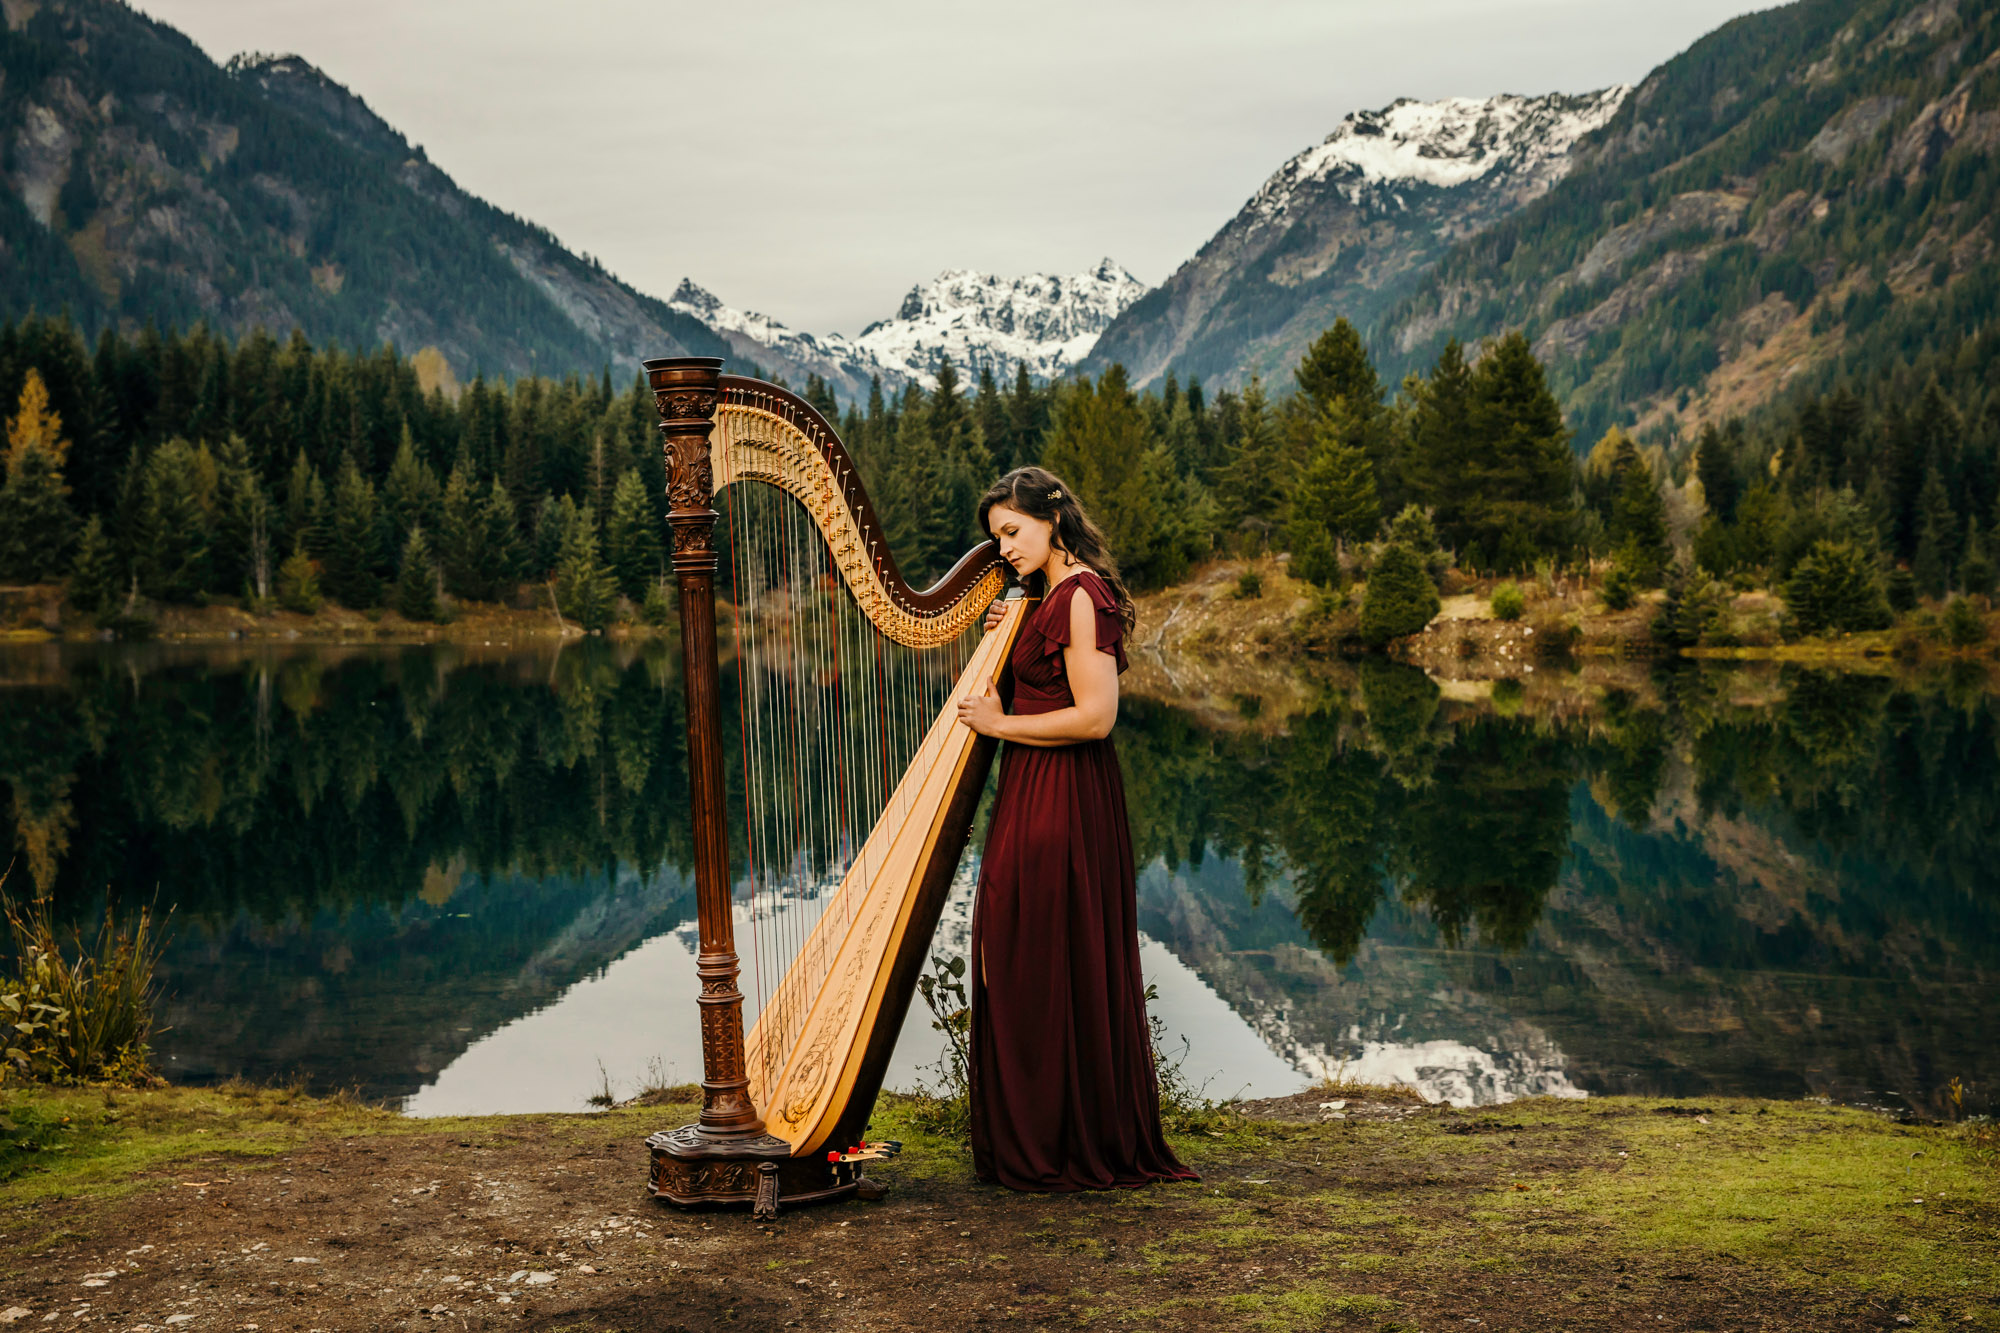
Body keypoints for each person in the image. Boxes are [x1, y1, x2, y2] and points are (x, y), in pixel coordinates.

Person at [953, 465, 1199, 1193]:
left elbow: (1096, 716)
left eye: (1012, 531)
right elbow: (1024, 685)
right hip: (1031, 785)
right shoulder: (1041, 596)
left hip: (1065, 793)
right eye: (995, 536)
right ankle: (1032, 1132)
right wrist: (1005, 634)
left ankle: (1062, 1138)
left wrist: (1002, 723)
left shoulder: (1085, 595)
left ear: (1052, 519)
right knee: (1018, 941)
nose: (1003, 548)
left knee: (1043, 947)